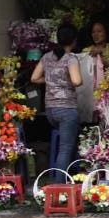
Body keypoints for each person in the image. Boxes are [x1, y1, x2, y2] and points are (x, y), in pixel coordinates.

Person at [30, 23, 83, 181]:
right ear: (74, 41)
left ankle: (71, 176)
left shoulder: (46, 57)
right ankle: (59, 186)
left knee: (69, 142)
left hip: (51, 111)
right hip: (66, 109)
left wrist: (50, 81)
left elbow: (34, 78)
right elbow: (76, 80)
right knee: (65, 148)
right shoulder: (71, 58)